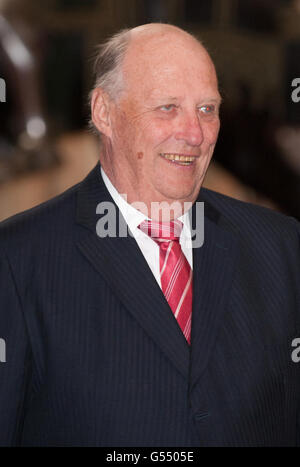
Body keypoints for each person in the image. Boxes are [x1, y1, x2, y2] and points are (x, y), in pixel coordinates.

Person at [0, 23, 299, 447]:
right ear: (104, 112)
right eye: (167, 107)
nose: (194, 134)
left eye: (207, 109)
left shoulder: (283, 247)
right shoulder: (16, 260)